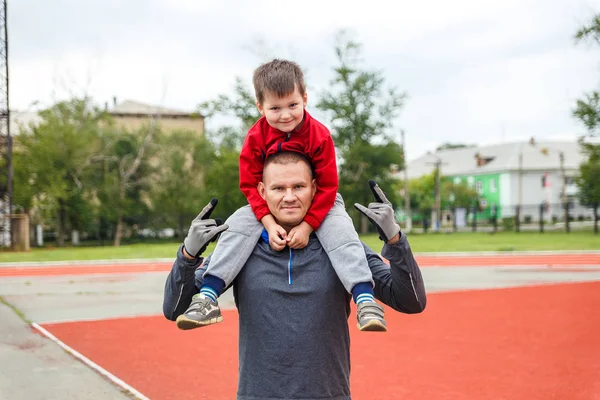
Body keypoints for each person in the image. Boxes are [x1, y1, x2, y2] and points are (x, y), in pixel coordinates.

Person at [163, 151, 427, 400]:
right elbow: (175, 308)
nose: (289, 196)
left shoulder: (343, 248)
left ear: (314, 188)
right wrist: (188, 255)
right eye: (279, 188)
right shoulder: (240, 248)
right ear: (262, 192)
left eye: (298, 187)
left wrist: (395, 240)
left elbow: (410, 301)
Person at [176, 59, 386, 332]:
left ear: (305, 99)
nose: (285, 115)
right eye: (275, 108)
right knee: (236, 226)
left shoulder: (319, 135)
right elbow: (250, 184)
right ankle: (208, 296)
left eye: (292, 105)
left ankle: (365, 299)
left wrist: (308, 225)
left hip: (322, 198)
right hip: (264, 204)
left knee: (341, 230)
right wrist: (268, 222)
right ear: (260, 107)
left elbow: (327, 186)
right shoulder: (255, 137)